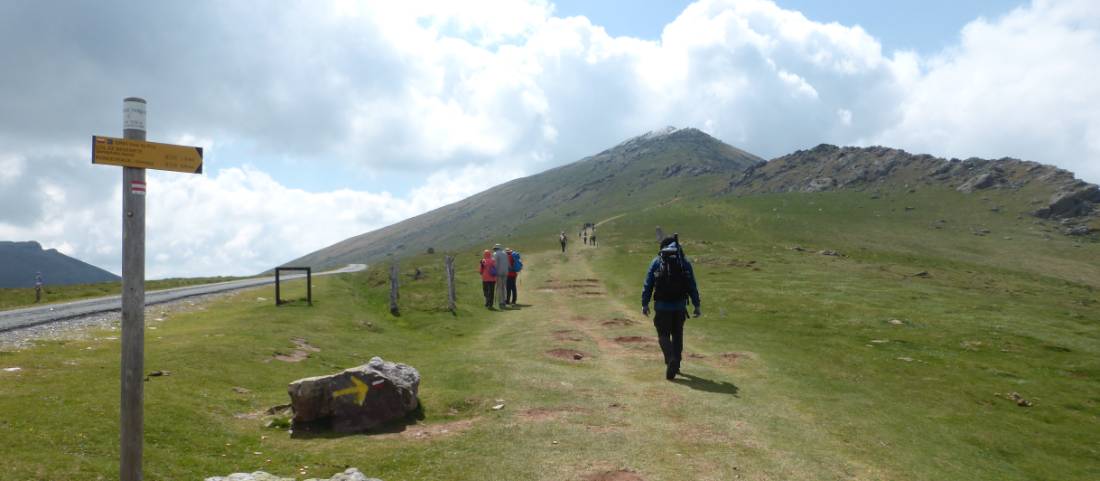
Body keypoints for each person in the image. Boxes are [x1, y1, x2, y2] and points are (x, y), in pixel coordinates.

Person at [641, 234, 701, 380]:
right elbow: (692, 285)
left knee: (663, 335)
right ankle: (677, 364)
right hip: (680, 306)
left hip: (662, 306)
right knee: (677, 334)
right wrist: (696, 305)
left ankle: (670, 359)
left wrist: (645, 303)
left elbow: (648, 284)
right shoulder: (684, 263)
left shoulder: (657, 261)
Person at [492, 244, 510, 309]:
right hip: (505, 272)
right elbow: (508, 264)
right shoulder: (505, 253)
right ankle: (504, 300)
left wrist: (494, 272)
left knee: (499, 287)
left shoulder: (495, 254)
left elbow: (495, 264)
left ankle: (501, 302)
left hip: (499, 273)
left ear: (496, 248)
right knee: (504, 287)